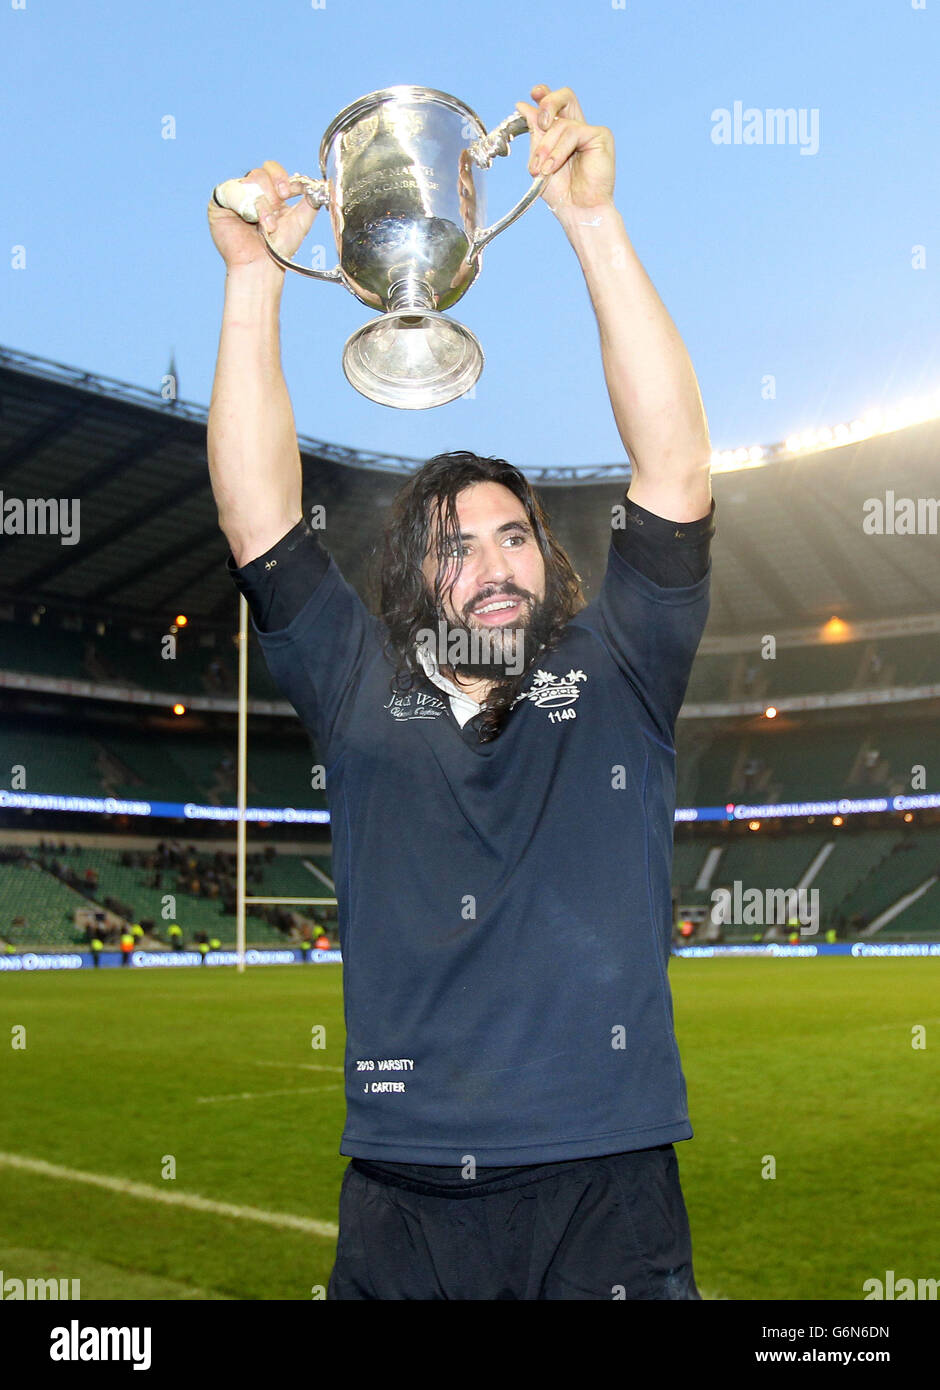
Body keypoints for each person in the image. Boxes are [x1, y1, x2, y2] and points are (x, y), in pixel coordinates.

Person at [207, 82, 714, 1302]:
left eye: (513, 535)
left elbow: (675, 463)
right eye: (453, 545)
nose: (490, 563)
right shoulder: (358, 686)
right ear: (414, 579)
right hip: (404, 1201)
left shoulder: (619, 670)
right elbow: (258, 518)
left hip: (607, 1189)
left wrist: (590, 220)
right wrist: (253, 281)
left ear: (549, 561)